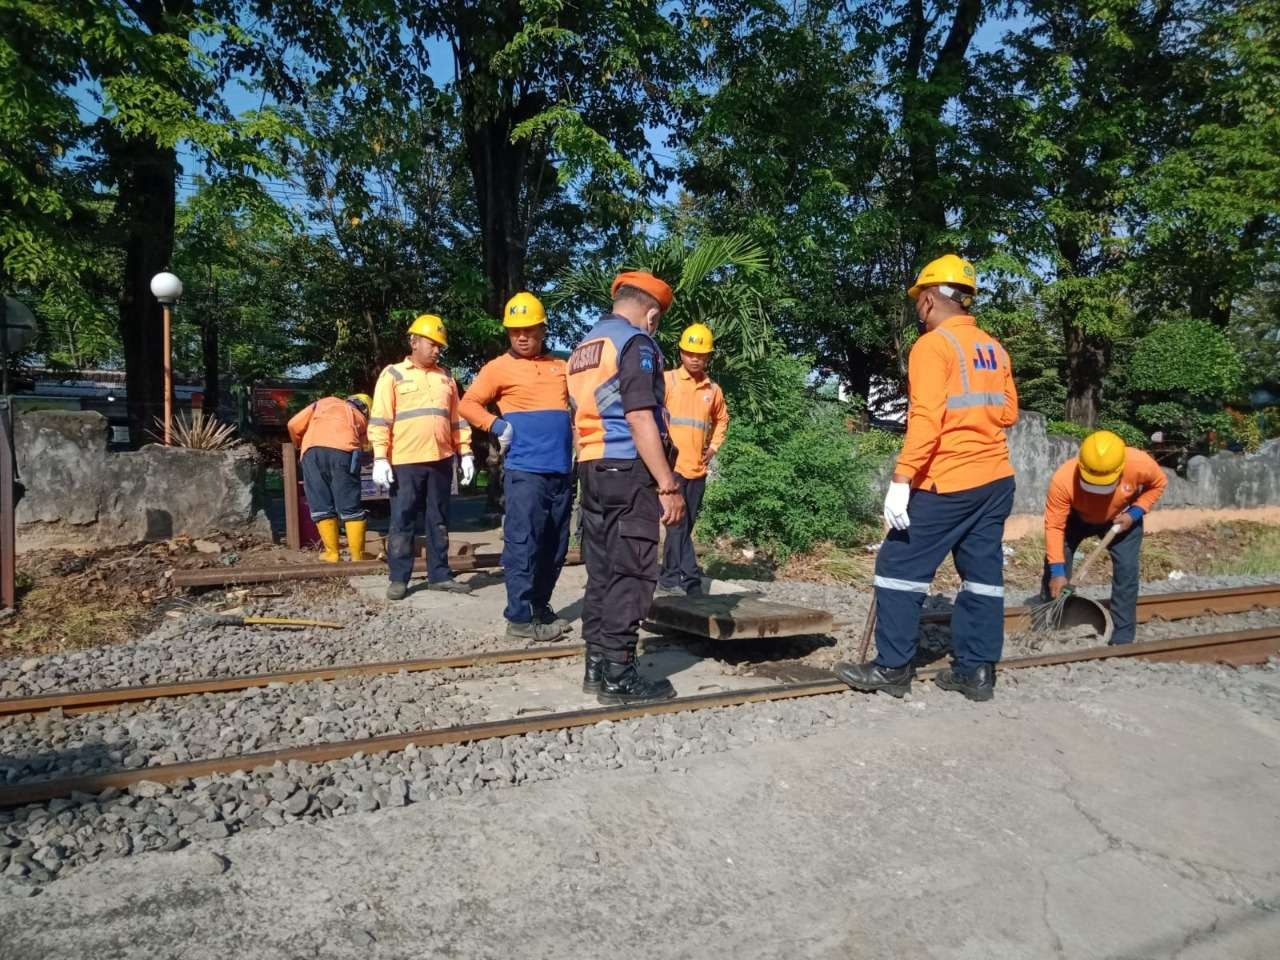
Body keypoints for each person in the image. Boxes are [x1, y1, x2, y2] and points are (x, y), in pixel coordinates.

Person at [834, 254, 1019, 702]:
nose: (918, 308)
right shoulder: (993, 347)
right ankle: (976, 673)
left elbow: (926, 419)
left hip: (949, 479)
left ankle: (892, 667)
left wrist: (902, 479)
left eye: (919, 299)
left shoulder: (932, 347)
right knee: (982, 575)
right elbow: (1009, 412)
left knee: (898, 567)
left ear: (933, 298)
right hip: (996, 478)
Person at [568, 271, 685, 705]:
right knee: (632, 571)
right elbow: (639, 416)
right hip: (628, 468)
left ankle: (596, 664)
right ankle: (619, 675)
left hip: (592, 466)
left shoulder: (586, 346)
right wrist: (667, 484)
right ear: (652, 315)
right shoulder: (637, 344)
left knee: (601, 569)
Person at [459, 292, 575, 642]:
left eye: (529, 329)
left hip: (561, 471)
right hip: (525, 472)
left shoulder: (561, 367)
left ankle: (540, 607)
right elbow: (468, 404)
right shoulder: (497, 368)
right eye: (514, 331)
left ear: (543, 329)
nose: (521, 336)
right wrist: (498, 426)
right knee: (523, 543)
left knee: (556, 544)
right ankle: (519, 618)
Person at [368, 313, 475, 600]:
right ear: (414, 341)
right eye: (432, 343)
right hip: (405, 461)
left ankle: (439, 575)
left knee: (438, 519)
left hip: (441, 459)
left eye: (441, 345)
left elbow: (457, 419)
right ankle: (399, 578)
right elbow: (380, 419)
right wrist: (380, 457)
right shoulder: (393, 375)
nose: (437, 349)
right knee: (402, 520)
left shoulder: (446, 378)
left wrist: (465, 452)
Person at [1042, 431, 1168, 645]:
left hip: (1122, 519)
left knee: (1127, 571)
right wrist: (1056, 570)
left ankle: (1122, 636)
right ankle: (1051, 623)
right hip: (1076, 518)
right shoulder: (1063, 479)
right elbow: (1054, 526)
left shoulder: (1139, 463)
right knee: (1056, 567)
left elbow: (1158, 484)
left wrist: (1135, 513)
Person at [657, 323, 729, 597]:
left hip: (697, 470)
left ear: (708, 357)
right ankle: (684, 580)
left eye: (701, 354)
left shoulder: (713, 390)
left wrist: (713, 448)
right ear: (681, 353)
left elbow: (722, 419)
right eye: (690, 353)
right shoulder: (668, 381)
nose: (695, 358)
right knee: (676, 525)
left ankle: (675, 578)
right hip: (671, 469)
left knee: (684, 527)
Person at [287, 393, 371, 562]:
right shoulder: (360, 418)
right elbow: (366, 446)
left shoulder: (323, 403)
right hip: (344, 454)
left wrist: (299, 444)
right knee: (350, 505)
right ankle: (357, 556)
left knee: (320, 502)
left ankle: (332, 554)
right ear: (366, 409)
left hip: (311, 453)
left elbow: (293, 424)